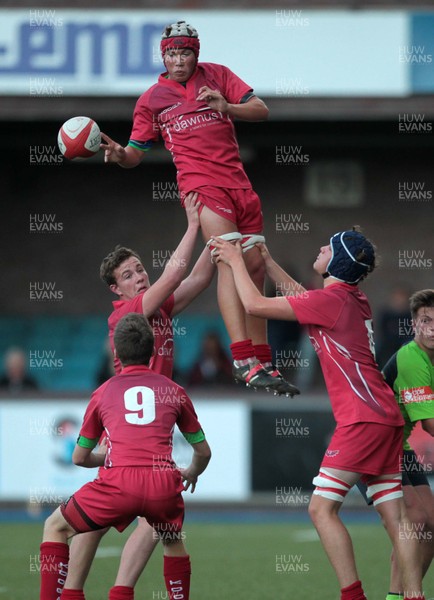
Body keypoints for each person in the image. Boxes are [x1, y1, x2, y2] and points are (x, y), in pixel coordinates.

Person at [211, 228, 425, 600]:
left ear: (338, 260)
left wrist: (233, 261)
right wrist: (269, 262)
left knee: (321, 509)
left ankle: (352, 595)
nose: (321, 247)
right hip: (385, 416)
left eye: (329, 246)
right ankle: (412, 596)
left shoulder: (332, 301)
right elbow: (305, 298)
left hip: (362, 418)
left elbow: (253, 306)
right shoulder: (351, 298)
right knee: (397, 520)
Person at [99, 19, 298, 397]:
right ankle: (241, 359)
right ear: (163, 55)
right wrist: (118, 153)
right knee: (228, 258)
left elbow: (261, 110)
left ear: (196, 53)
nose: (178, 60)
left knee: (255, 265)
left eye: (185, 52)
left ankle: (261, 358)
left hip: (240, 184)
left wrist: (228, 107)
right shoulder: (151, 100)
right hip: (201, 187)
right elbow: (134, 155)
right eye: (171, 53)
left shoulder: (218, 75)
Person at [63, 192, 215, 600]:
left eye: (140, 269)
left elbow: (197, 279)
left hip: (148, 422)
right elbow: (172, 277)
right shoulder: (127, 314)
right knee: (145, 515)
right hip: (132, 423)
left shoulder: (158, 310)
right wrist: (194, 225)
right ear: (116, 288)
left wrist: (220, 241)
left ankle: (93, 592)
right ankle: (94, 591)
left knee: (111, 517)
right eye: (129, 275)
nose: (140, 276)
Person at [39, 313, 211, 600]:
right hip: (162, 484)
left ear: (116, 353)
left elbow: (79, 457)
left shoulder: (103, 393)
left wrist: (102, 456)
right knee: (172, 538)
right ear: (153, 350)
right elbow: (203, 451)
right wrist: (192, 472)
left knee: (55, 526)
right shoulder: (174, 391)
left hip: (117, 484)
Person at [380, 289, 434, 600]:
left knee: (430, 525)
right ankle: (398, 596)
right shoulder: (412, 359)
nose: (432, 328)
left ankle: (402, 594)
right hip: (373, 448)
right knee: (415, 520)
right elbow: (429, 425)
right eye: (425, 320)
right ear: (414, 324)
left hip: (400, 447)